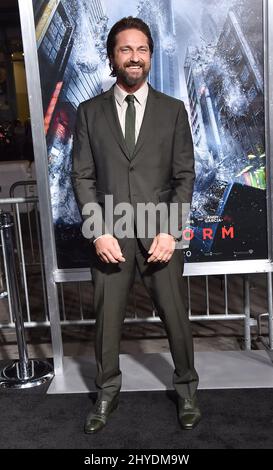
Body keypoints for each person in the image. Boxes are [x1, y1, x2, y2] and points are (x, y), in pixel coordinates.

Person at [72, 16, 200, 434]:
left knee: (176, 318)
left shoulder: (173, 110)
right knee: (107, 320)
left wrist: (170, 230)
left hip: (161, 234)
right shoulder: (89, 113)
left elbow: (185, 176)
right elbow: (83, 177)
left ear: (149, 55)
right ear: (112, 56)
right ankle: (106, 393)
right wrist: (98, 230)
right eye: (125, 49)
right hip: (110, 237)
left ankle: (186, 391)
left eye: (141, 49)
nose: (134, 57)